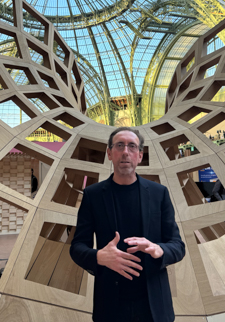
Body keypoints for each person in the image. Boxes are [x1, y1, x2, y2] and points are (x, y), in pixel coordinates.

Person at [70, 127, 185, 322]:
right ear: (109, 153)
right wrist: (99, 256)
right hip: (110, 305)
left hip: (154, 306)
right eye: (119, 145)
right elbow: (77, 247)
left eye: (132, 146)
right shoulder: (93, 195)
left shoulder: (159, 193)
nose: (125, 152)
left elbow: (178, 246)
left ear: (140, 155)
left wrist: (158, 249)